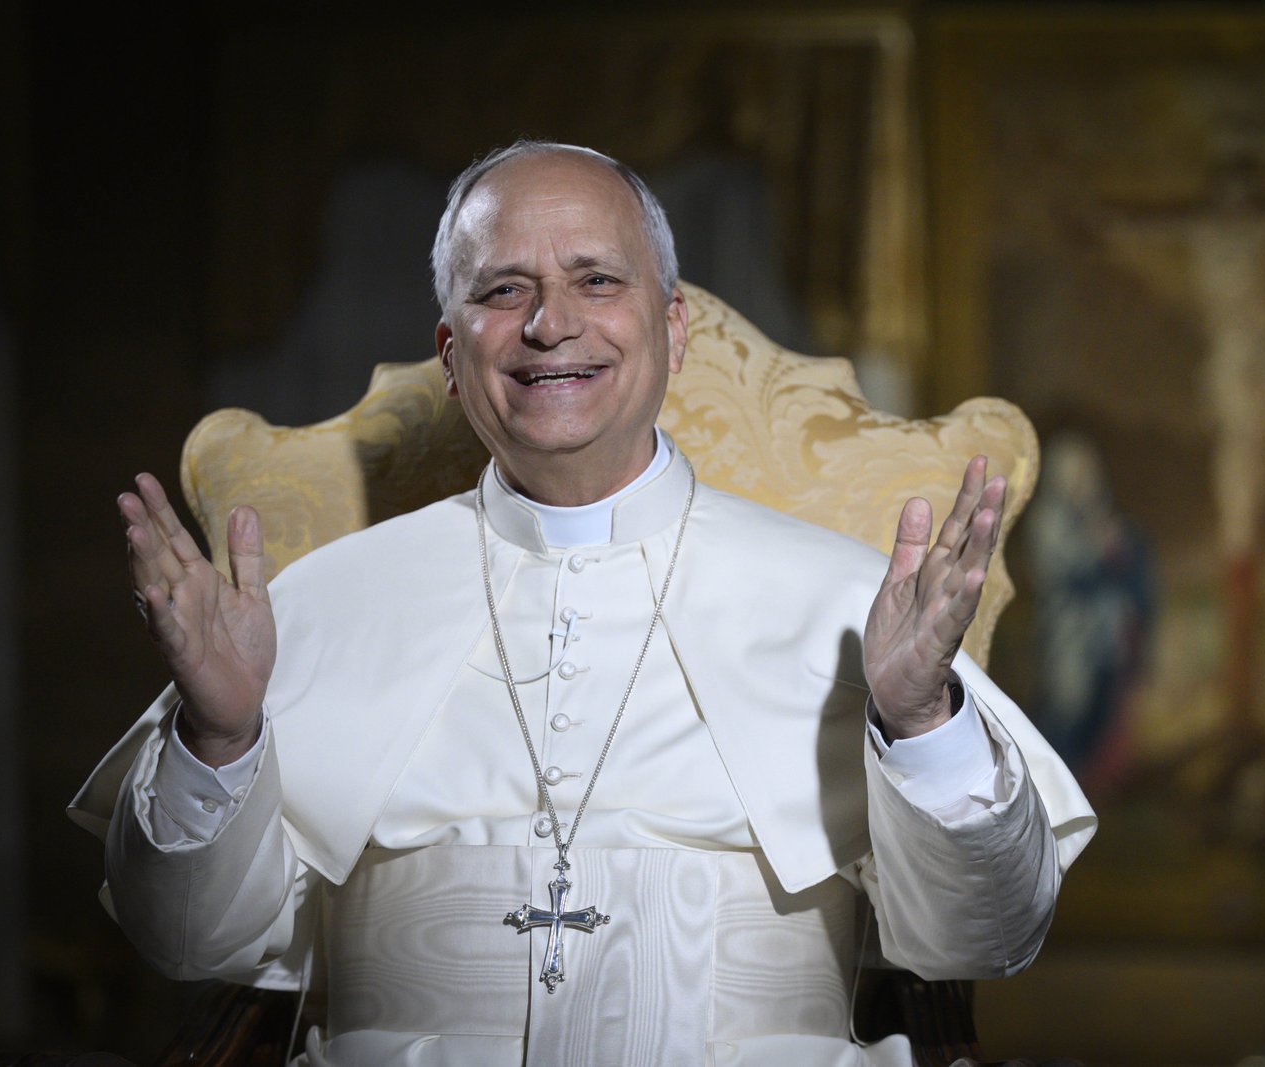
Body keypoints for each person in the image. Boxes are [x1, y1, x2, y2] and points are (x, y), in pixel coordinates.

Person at [71, 141, 1095, 1067]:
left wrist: (918, 721)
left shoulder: (850, 598)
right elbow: (193, 942)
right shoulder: (319, 603)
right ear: (450, 350)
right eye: (501, 289)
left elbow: (982, 935)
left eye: (594, 280)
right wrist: (221, 733)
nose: (548, 324)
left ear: (672, 325)